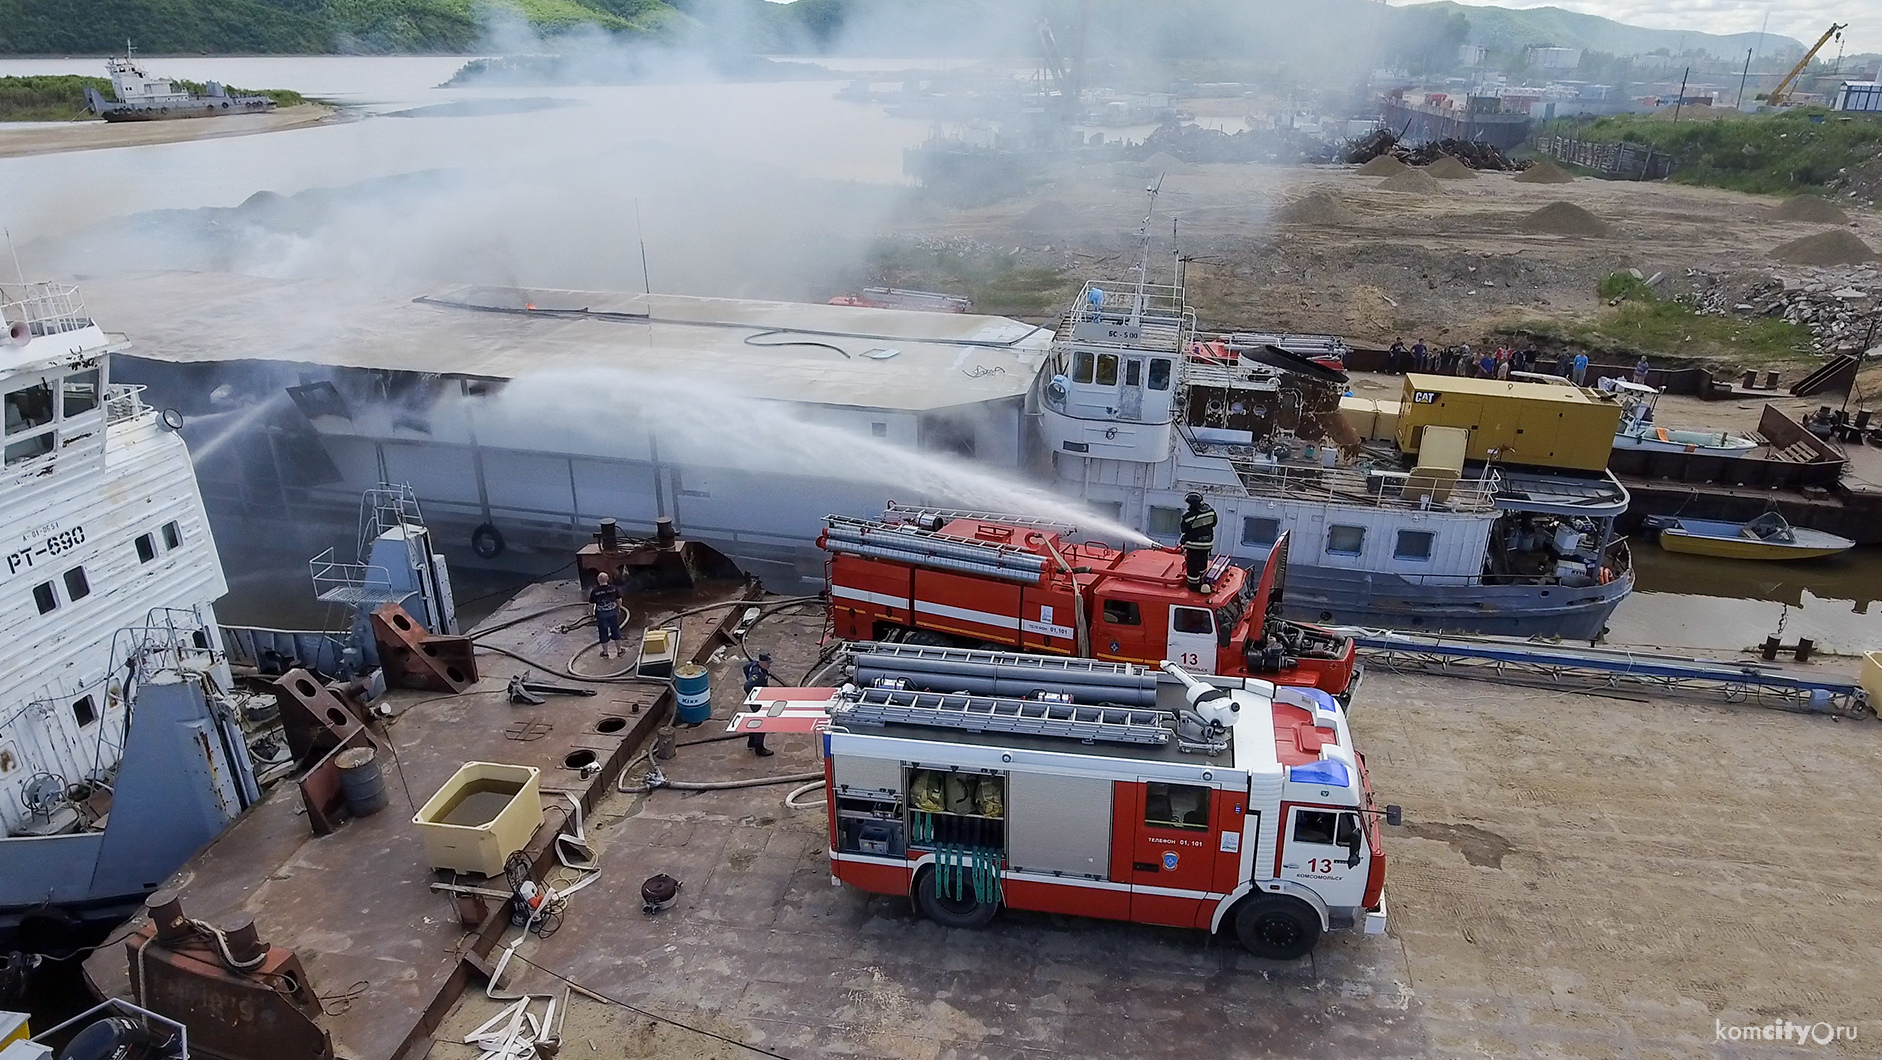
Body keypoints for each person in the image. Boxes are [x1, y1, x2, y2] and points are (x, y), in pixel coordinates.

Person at [1178, 492, 1218, 592]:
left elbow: (1183, 529)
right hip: (1207, 545)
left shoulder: (1188, 517)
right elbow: (1214, 523)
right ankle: (1203, 581)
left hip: (1194, 546)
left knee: (1193, 569)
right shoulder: (1210, 511)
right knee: (1202, 564)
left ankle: (1193, 587)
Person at [742, 652, 777, 756]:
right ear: (762, 662)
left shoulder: (754, 665)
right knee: (762, 723)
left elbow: (745, 668)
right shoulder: (757, 674)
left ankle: (752, 741)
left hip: (761, 697)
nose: (769, 665)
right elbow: (747, 686)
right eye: (768, 663)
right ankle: (759, 748)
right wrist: (753, 696)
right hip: (758, 700)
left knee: (756, 719)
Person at [588, 571, 626, 660]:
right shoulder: (613, 588)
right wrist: (619, 608)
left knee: (603, 633)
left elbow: (591, 604)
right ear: (607, 579)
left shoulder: (595, 591)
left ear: (598, 580)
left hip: (601, 615)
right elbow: (619, 600)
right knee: (616, 631)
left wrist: (591, 614)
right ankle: (619, 651)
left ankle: (605, 653)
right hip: (613, 613)